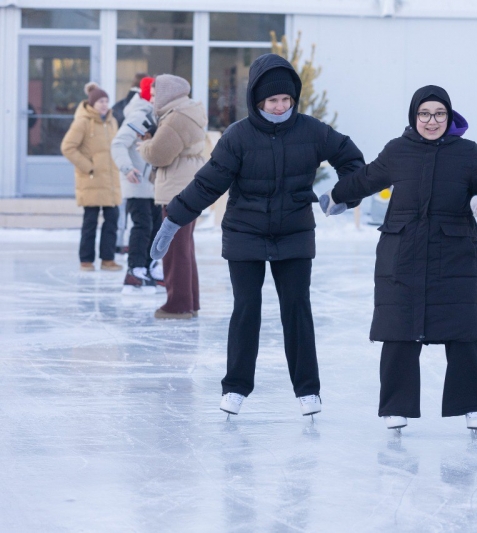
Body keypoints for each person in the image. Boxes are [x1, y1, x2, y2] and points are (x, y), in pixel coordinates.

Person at [149, 54, 365, 418]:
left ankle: (308, 391)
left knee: (297, 309)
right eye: (272, 100)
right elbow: (207, 184)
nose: (280, 107)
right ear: (257, 100)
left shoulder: (313, 131)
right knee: (246, 310)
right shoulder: (239, 137)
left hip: (294, 234)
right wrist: (173, 220)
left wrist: (344, 196)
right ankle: (235, 388)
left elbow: (353, 161)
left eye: (286, 100)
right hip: (245, 234)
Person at [323, 85, 477, 434]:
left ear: (449, 117)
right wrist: (336, 195)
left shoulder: (467, 152)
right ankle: (396, 407)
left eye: (439, 114)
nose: (432, 121)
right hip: (403, 252)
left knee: (464, 331)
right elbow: (366, 178)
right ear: (414, 117)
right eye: (424, 114)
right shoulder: (398, 150)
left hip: (454, 255)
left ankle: (472, 406)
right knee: (399, 331)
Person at [139, 74, 207, 318]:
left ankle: (177, 305)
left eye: (155, 95)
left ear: (167, 94)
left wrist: (143, 145)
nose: (153, 100)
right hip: (188, 187)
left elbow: (159, 155)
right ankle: (190, 302)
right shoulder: (185, 112)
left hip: (178, 188)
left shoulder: (177, 118)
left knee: (174, 248)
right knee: (183, 246)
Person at [61, 82, 123, 272]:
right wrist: (89, 167)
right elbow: (68, 147)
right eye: (100, 101)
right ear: (92, 103)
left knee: (112, 219)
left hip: (110, 180)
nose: (104, 104)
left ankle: (108, 259)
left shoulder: (112, 121)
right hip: (91, 179)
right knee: (90, 221)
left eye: (106, 101)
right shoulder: (83, 122)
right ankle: (86, 260)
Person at [111, 76, 163, 293]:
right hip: (138, 183)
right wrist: (127, 168)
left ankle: (149, 266)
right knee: (142, 227)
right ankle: (135, 269)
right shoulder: (139, 114)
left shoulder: (155, 115)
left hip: (153, 185)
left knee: (156, 227)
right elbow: (118, 143)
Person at [112, 72, 149, 254]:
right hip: (133, 169)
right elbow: (119, 141)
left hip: (131, 168)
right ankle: (122, 248)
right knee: (139, 222)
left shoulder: (124, 105)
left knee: (127, 213)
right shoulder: (139, 112)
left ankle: (119, 243)